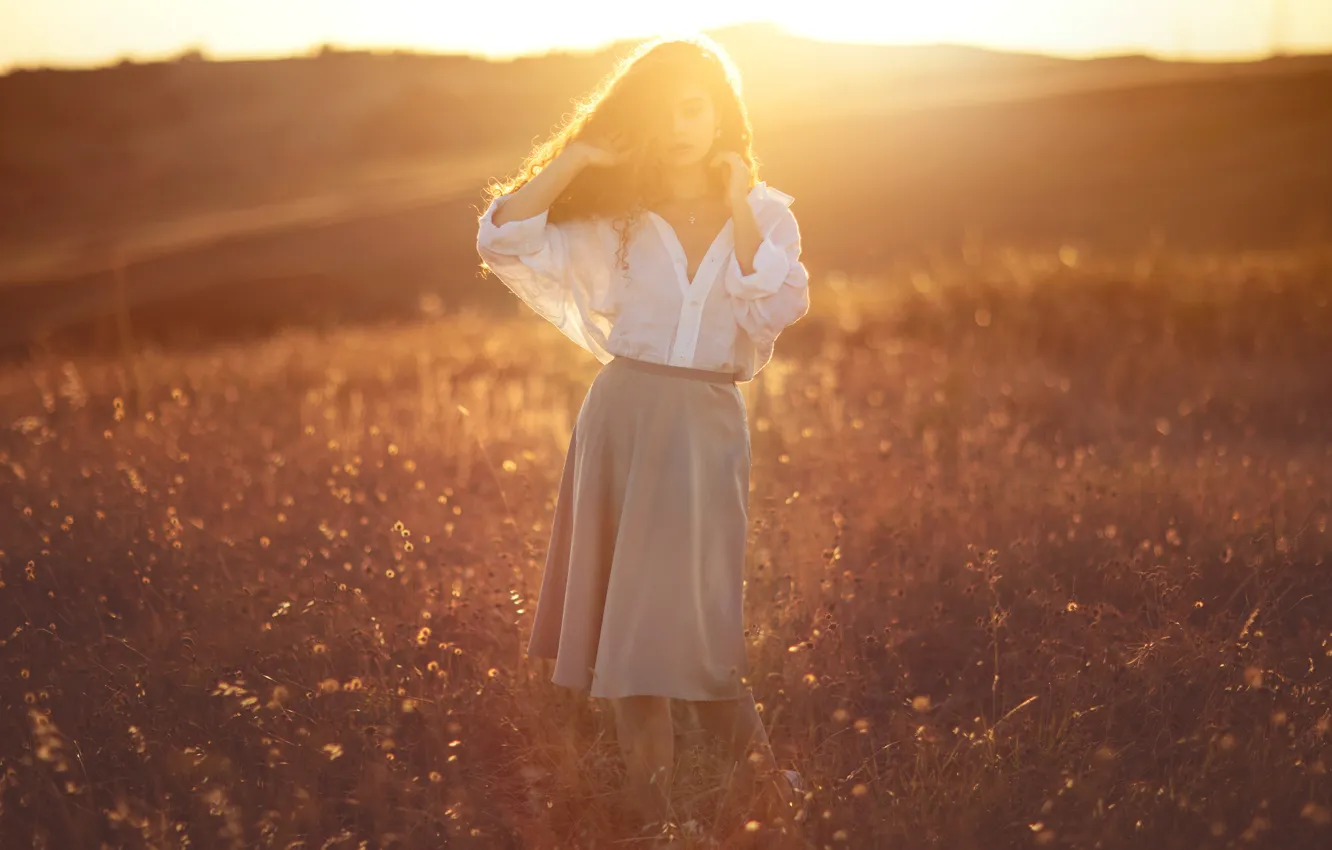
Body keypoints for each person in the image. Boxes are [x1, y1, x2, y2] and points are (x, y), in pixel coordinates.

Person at [475, 33, 811, 846]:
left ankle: (779, 808)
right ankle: (654, 822)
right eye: (662, 113)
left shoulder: (767, 217)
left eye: (694, 107)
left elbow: (777, 303)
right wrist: (581, 154)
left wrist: (735, 200)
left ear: (721, 111)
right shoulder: (617, 217)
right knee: (632, 641)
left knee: (700, 634)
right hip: (622, 416)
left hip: (706, 426)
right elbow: (504, 237)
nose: (681, 125)